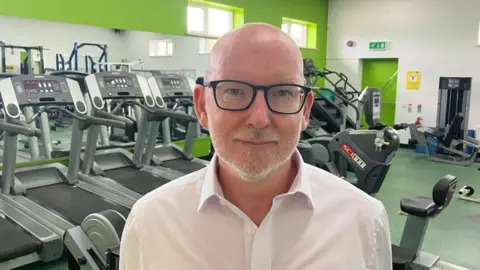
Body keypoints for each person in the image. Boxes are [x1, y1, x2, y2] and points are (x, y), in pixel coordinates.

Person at [119, 23, 392, 270]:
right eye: (234, 91)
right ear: (202, 106)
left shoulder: (364, 220)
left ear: (305, 110)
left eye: (283, 93)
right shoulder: (150, 223)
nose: (259, 119)